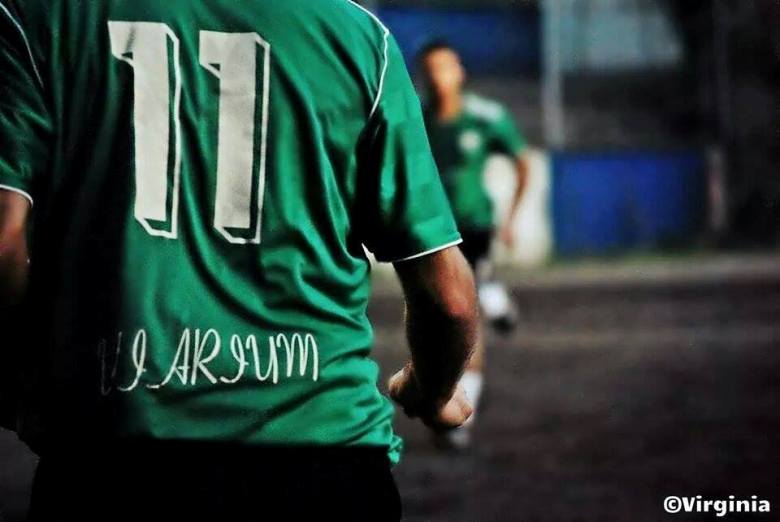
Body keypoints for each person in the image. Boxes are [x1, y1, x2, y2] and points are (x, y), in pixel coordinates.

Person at [0, 1, 479, 520]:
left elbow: (5, 243)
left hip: (110, 463)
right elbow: (449, 300)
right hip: (323, 459)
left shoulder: (34, 17)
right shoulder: (360, 38)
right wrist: (430, 390)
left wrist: (19, 386)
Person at [419, 40, 531, 449]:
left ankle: (460, 418)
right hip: (431, 235)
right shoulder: (416, 118)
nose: (438, 77)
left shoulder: (486, 117)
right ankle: (497, 300)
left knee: (465, 319)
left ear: (460, 71)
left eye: (445, 67)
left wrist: (512, 219)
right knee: (441, 318)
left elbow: (522, 161)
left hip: (473, 230)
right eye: (431, 68)